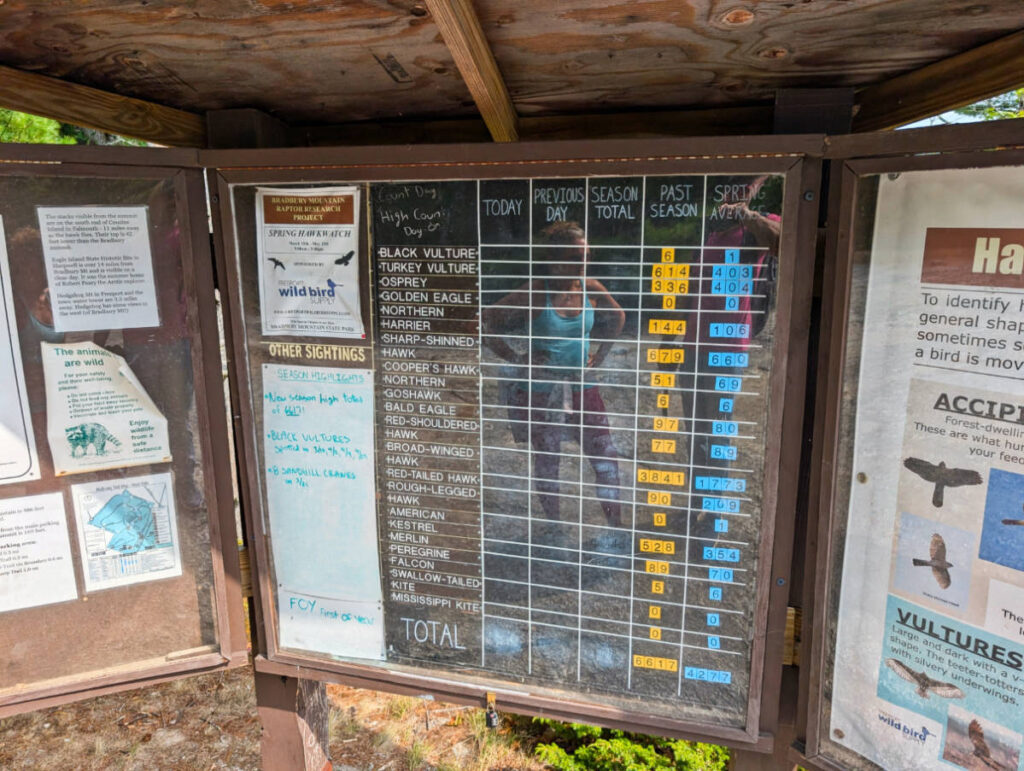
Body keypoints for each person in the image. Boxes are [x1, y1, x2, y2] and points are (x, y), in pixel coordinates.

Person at [484, 221, 626, 527]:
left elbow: (619, 316)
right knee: (548, 459)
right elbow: (485, 322)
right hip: (542, 391)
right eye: (575, 258)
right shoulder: (536, 292)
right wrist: (518, 359)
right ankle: (555, 527)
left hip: (582, 385)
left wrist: (600, 355)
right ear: (554, 260)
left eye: (586, 256)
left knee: (605, 454)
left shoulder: (589, 287)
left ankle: (616, 527)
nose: (583, 263)